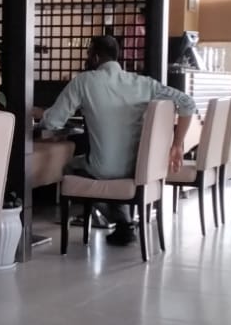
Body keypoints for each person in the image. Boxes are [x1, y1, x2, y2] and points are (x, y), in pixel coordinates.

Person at [40, 35, 197, 246]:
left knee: (69, 167)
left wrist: (39, 114)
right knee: (97, 165)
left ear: (95, 57)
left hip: (103, 170)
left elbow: (53, 122)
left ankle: (121, 221)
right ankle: (124, 223)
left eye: (88, 55)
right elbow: (187, 103)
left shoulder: (84, 81)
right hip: (138, 169)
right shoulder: (143, 83)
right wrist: (177, 144)